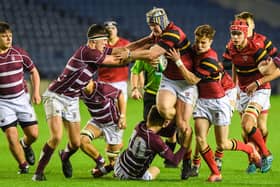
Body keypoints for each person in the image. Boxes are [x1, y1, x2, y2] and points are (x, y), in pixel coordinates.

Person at [32, 24, 129, 181]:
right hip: (56, 95)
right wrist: (146, 55)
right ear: (92, 42)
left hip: (72, 99)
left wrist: (146, 44)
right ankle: (38, 173)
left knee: (76, 142)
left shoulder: (96, 54)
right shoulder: (87, 51)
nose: (106, 43)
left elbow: (121, 51)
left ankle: (64, 156)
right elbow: (117, 60)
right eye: (103, 40)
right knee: (57, 137)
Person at [166, 24, 261, 182]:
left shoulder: (210, 58)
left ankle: (249, 149)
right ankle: (215, 173)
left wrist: (178, 62)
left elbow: (193, 79)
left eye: (204, 43)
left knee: (222, 144)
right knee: (200, 138)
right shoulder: (194, 50)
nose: (200, 46)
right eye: (198, 41)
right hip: (202, 101)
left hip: (219, 101)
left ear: (210, 42)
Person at [124, 7, 197, 179]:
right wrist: (122, 50)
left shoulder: (173, 33)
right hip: (170, 80)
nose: (153, 29)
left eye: (154, 25)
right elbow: (142, 43)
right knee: (162, 109)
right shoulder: (157, 34)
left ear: (163, 22)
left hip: (185, 82)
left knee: (183, 127)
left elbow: (152, 53)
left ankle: (186, 162)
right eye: (150, 26)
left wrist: (128, 55)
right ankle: (175, 124)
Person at [222, 19, 273, 174]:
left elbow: (271, 70)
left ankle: (266, 154)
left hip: (260, 89)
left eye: (238, 34)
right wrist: (234, 86)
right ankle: (253, 158)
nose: (235, 37)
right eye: (233, 33)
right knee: (245, 131)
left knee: (249, 124)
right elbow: (232, 67)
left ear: (245, 33)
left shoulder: (256, 47)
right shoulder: (230, 47)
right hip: (243, 91)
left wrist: (258, 81)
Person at [0, 21, 40, 174]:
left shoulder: (19, 53)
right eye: (4, 36)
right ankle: (23, 166)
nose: (8, 39)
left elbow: (34, 71)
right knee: (11, 135)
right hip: (3, 102)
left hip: (21, 98)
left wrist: (36, 92)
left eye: (10, 36)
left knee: (34, 134)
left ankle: (25, 144)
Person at [114, 105, 189, 180]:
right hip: (132, 176)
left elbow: (165, 133)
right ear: (165, 123)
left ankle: (110, 168)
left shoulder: (139, 125)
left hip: (118, 166)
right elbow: (174, 161)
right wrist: (185, 145)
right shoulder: (155, 140)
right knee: (156, 169)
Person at [130, 59, 177, 168]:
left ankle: (169, 159)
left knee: (171, 129)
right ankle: (146, 159)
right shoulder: (147, 55)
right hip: (151, 94)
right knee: (149, 128)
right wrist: (134, 89)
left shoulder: (171, 53)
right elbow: (135, 70)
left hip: (170, 95)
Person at [79, 79, 126, 178]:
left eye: (86, 83)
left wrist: (123, 116)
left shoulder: (103, 88)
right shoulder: (79, 90)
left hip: (113, 124)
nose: (85, 87)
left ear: (91, 81)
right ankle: (100, 162)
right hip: (97, 122)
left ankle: (113, 157)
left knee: (114, 165)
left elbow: (120, 94)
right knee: (82, 141)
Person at [98, 21, 130, 101]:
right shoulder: (100, 45)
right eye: (108, 28)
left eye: (113, 28)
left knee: (120, 111)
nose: (110, 30)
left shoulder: (125, 44)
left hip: (120, 82)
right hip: (103, 82)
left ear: (117, 30)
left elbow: (132, 59)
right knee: (104, 110)